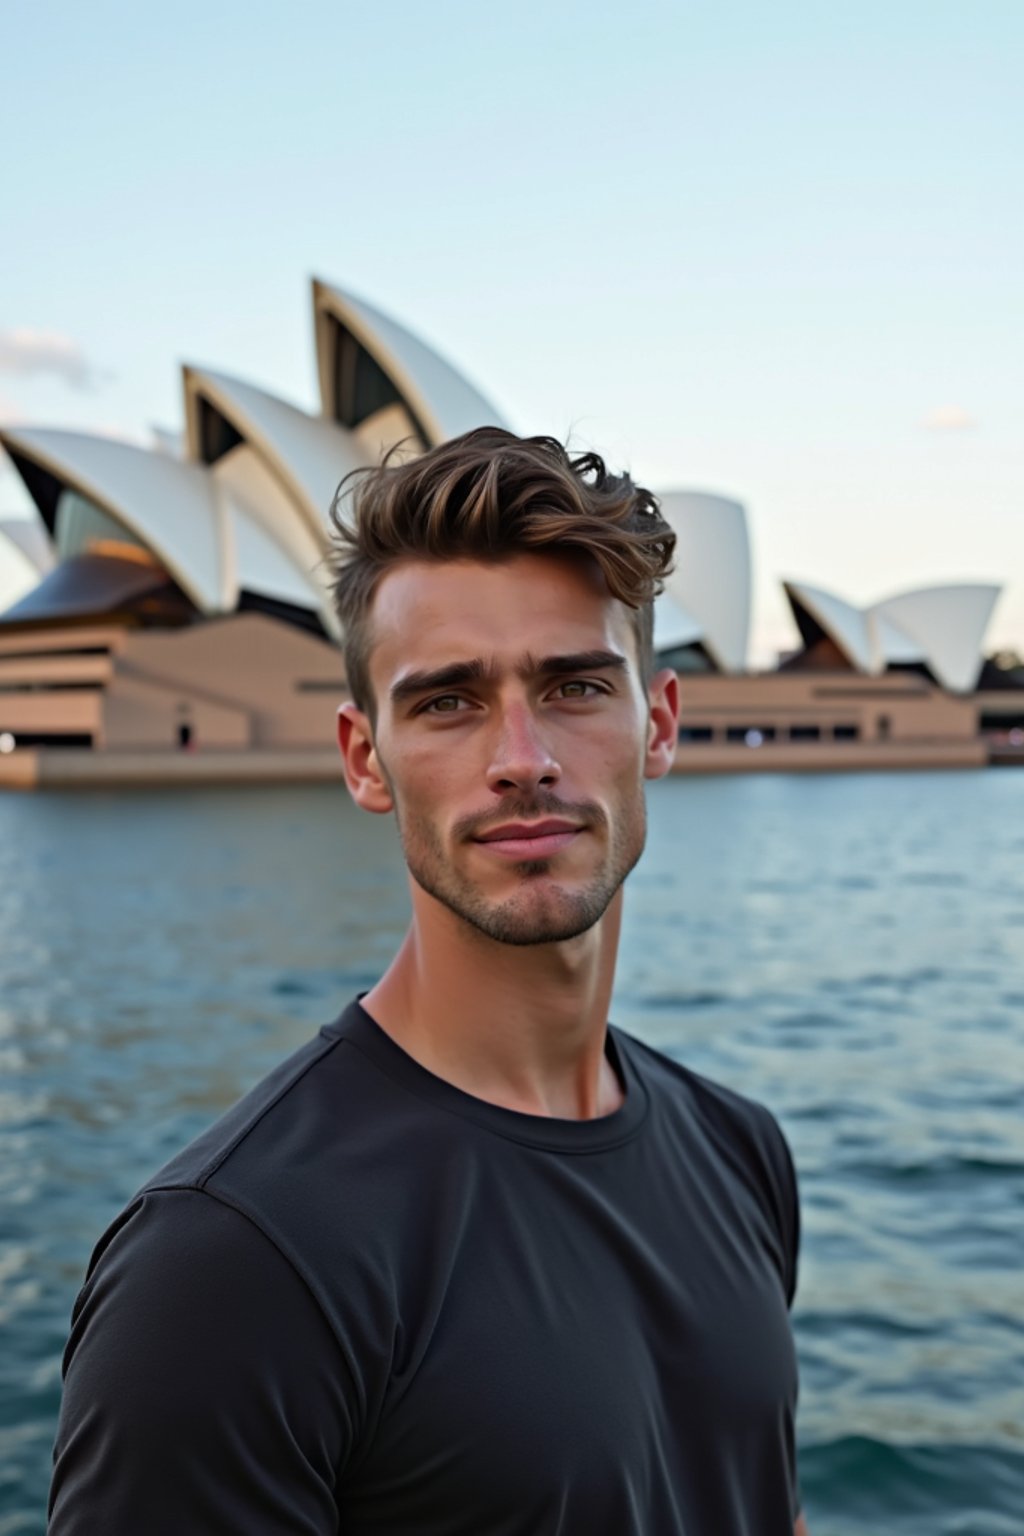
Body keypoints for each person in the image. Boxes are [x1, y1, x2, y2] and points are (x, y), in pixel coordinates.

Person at [48, 428, 807, 1535]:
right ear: (365, 759)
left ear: (658, 723)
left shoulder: (740, 1151)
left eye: (576, 685)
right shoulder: (229, 1260)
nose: (522, 756)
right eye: (448, 701)